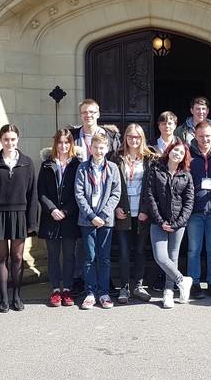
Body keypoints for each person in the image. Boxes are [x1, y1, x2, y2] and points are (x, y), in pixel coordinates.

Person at [0, 124, 39, 313]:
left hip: (19, 215)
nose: (10, 143)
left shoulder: (27, 162)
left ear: (18, 140)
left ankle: (17, 296)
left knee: (17, 257)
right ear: (1, 140)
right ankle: (4, 299)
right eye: (6, 139)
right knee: (1, 257)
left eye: (13, 139)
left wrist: (32, 222)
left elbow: (33, 194)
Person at [69, 98, 121, 297]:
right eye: (84, 112)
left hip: (104, 208)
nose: (88, 115)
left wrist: (105, 212)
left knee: (103, 254)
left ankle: (104, 286)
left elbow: (115, 188)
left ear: (98, 114)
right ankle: (83, 283)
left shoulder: (110, 136)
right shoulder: (73, 136)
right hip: (83, 204)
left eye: (92, 112)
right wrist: (91, 215)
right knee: (84, 248)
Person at [111, 124, 159, 304]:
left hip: (141, 212)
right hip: (123, 210)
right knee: (123, 251)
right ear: (125, 138)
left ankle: (138, 285)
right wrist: (115, 207)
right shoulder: (117, 157)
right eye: (130, 136)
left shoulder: (150, 158)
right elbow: (111, 184)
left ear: (142, 138)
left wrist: (146, 209)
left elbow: (153, 186)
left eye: (137, 137)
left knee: (140, 250)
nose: (134, 140)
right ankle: (124, 287)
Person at [37, 129, 84, 307]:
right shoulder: (47, 164)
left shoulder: (78, 165)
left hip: (70, 217)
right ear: (55, 144)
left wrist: (66, 211)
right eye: (60, 142)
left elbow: (79, 192)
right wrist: (52, 209)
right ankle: (56, 290)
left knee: (70, 255)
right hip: (51, 218)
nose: (63, 146)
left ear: (71, 144)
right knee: (53, 255)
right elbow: (41, 192)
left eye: (67, 142)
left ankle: (68, 290)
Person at [75, 133, 121, 309]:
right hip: (87, 220)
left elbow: (115, 193)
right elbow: (79, 194)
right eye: (95, 147)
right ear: (90, 148)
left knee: (105, 258)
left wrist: (102, 215)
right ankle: (90, 292)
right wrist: (91, 216)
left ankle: (103, 292)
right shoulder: (82, 168)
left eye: (102, 148)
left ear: (107, 149)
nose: (99, 151)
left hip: (105, 220)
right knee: (89, 258)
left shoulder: (113, 168)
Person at [145, 141, 194, 308]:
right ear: (169, 151)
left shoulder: (186, 175)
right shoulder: (156, 169)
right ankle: (182, 280)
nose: (177, 154)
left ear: (184, 157)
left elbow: (189, 201)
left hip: (178, 224)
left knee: (173, 257)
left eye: (181, 152)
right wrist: (160, 220)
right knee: (161, 257)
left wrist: (178, 223)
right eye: (175, 150)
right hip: (158, 222)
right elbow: (150, 196)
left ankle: (169, 291)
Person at [187, 121, 211, 299]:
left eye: (208, 136)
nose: (205, 139)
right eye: (201, 136)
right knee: (194, 250)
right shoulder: (188, 155)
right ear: (195, 135)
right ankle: (194, 284)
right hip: (194, 210)